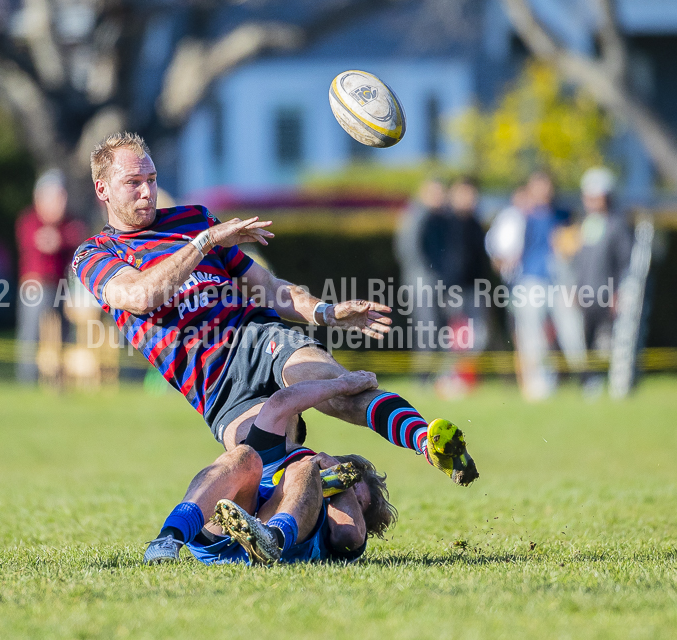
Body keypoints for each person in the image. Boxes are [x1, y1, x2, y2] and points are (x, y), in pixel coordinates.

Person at [72, 132, 478, 485]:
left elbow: (267, 288)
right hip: (215, 389)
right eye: (133, 183)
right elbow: (142, 296)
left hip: (257, 338)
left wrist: (326, 312)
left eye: (152, 179)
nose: (147, 191)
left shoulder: (192, 219)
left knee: (336, 390)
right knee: (265, 468)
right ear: (102, 189)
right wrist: (205, 243)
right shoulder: (95, 253)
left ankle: (427, 440)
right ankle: (331, 489)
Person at [144, 371, 436, 565]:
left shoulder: (340, 533)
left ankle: (273, 537)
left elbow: (350, 535)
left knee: (303, 469)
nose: (342, 496)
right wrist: (343, 385)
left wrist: (340, 483)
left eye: (358, 503)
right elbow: (281, 403)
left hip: (283, 547)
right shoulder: (291, 455)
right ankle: (169, 537)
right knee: (243, 456)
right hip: (220, 535)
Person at [509, 171, 585, 400]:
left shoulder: (563, 215)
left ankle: (585, 379)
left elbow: (574, 249)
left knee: (572, 331)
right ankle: (539, 384)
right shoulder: (520, 216)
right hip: (530, 281)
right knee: (532, 337)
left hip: (559, 281)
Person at [15, 169, 85, 382]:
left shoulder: (69, 222)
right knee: (31, 335)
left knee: (65, 333)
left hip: (63, 286)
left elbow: (77, 237)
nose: (60, 202)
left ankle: (59, 379)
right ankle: (27, 379)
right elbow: (40, 242)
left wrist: (59, 239)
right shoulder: (28, 220)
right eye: (56, 196)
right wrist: (59, 239)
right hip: (35, 286)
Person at [573, 167, 633, 391]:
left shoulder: (617, 225)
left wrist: (619, 293)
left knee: (609, 343)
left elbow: (625, 263)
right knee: (586, 342)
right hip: (586, 295)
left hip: (608, 295)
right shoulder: (584, 224)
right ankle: (589, 382)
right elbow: (580, 262)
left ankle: (616, 383)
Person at [394, 178, 447, 354]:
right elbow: (408, 250)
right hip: (422, 282)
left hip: (431, 280)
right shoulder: (417, 215)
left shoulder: (434, 216)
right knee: (427, 328)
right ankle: (424, 376)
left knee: (436, 329)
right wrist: (429, 274)